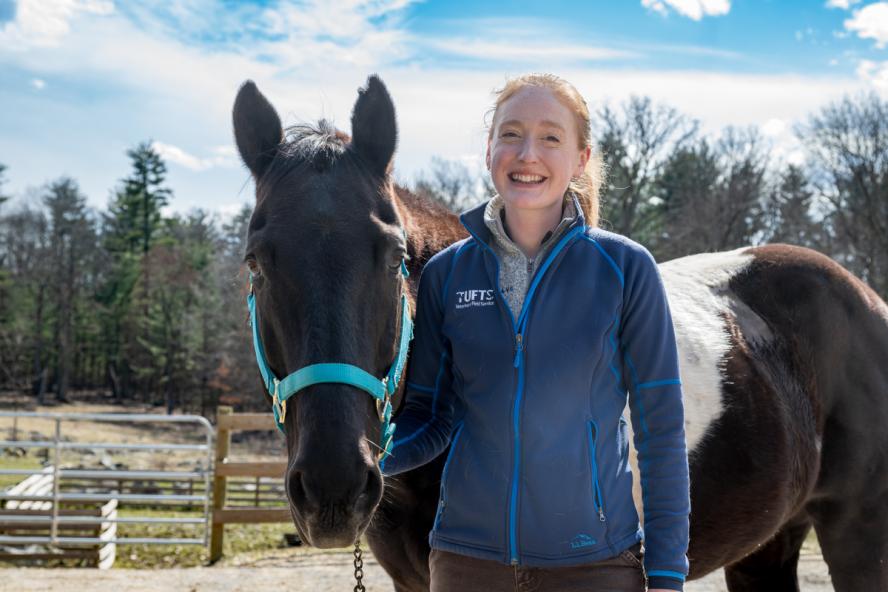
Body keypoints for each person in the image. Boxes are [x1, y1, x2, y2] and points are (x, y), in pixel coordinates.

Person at [381, 73, 690, 592]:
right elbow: (430, 419)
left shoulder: (625, 269)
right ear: (488, 150)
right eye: (511, 134)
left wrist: (665, 575)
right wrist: (365, 457)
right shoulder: (446, 275)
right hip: (464, 564)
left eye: (550, 137)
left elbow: (661, 435)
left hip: (596, 565)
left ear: (581, 158)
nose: (528, 154)